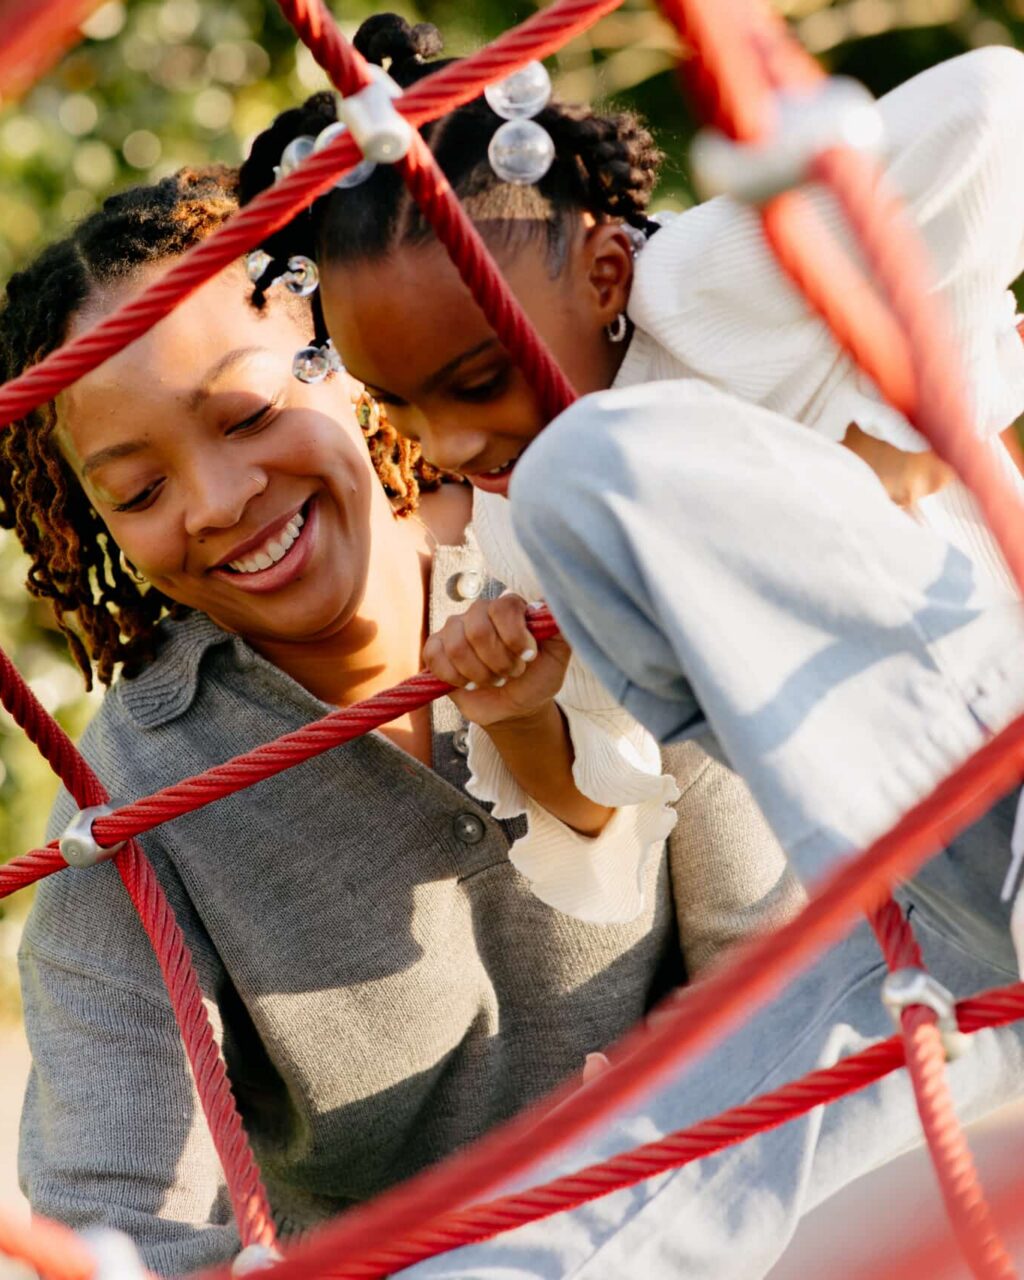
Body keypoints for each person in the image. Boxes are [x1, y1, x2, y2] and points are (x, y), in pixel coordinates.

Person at [236, 19, 1024, 1276]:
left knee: (580, 467)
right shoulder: (522, 522)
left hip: (984, 740)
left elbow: (997, 103)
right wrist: (528, 704)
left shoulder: (710, 280)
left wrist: (904, 418)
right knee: (626, 1172)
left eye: (477, 377)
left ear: (605, 273)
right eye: (402, 408)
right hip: (905, 910)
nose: (442, 442)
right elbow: (632, 781)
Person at [0, 166, 800, 1276]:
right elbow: (112, 1218)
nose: (217, 498)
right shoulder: (135, 795)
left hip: (730, 1202)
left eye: (247, 414)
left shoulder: (560, 549)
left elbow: (780, 959)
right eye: (139, 493)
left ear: (346, 358)